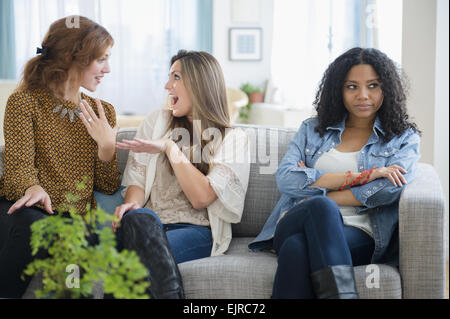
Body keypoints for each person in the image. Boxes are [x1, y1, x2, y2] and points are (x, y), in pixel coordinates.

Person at [248, 47, 421, 299]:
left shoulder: (403, 138)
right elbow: (286, 179)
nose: (363, 95)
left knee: (297, 248)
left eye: (373, 86)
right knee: (321, 210)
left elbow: (389, 189)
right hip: (296, 220)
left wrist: (319, 192)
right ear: (338, 90)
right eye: (352, 87)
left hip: (361, 232)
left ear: (387, 89)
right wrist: (363, 177)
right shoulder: (312, 129)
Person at [113, 50, 251, 299]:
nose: (167, 86)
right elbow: (138, 179)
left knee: (134, 262)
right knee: (139, 219)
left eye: (175, 77)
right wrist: (130, 207)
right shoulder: (156, 121)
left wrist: (170, 147)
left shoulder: (233, 139)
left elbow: (201, 198)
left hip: (194, 230)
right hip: (145, 224)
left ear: (200, 84)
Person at [0, 16, 120, 298]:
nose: (108, 69)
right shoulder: (24, 102)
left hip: (73, 221)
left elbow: (108, 186)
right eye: (101, 60)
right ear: (72, 58)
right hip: (24, 212)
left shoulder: (104, 112)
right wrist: (34, 187)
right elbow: (18, 167)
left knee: (72, 242)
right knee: (35, 227)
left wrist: (106, 147)